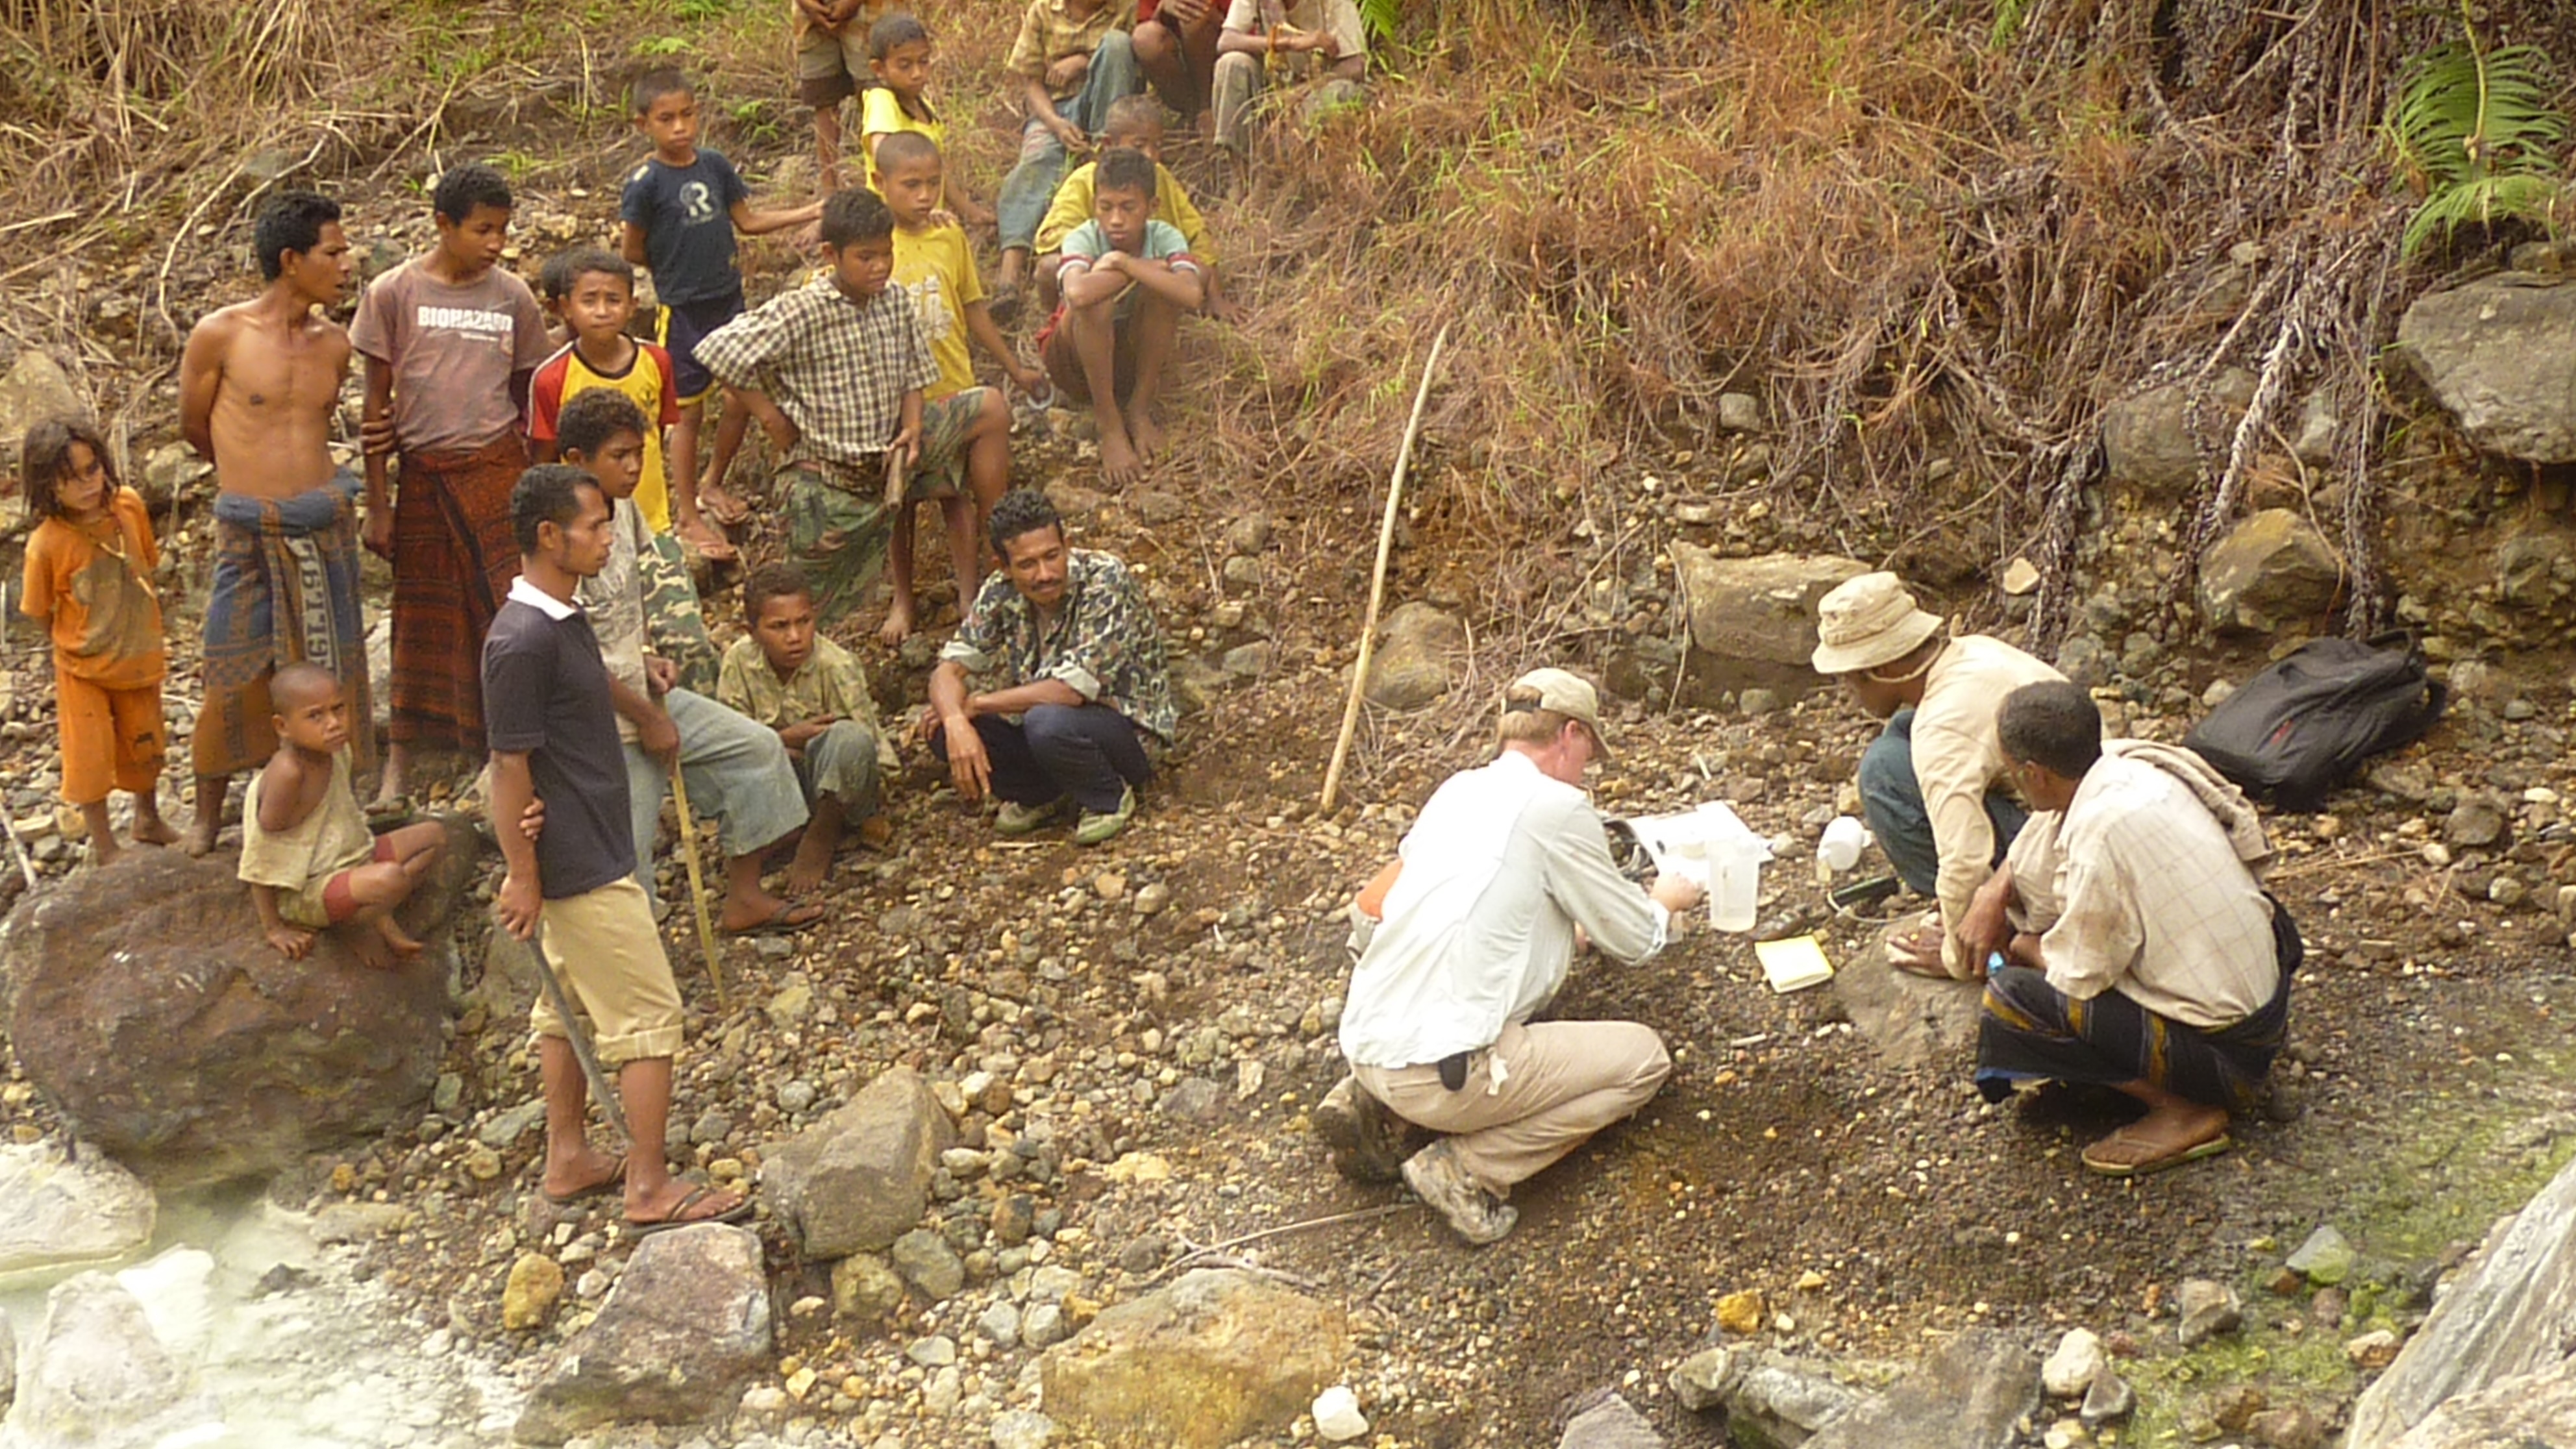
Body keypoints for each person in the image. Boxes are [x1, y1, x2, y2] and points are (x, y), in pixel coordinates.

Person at [1324, 669, 1703, 1245]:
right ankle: (1469, 1170)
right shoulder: (1556, 807)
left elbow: (1459, 906)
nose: (1585, 772)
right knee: (1643, 1061)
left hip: (1367, 1042)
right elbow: (1638, 942)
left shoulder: (1459, 790)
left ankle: (1383, 1109)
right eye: (1588, 754)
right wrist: (1663, 902)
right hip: (1445, 1071)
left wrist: (1566, 935)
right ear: (1570, 734)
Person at [485, 464, 750, 1231]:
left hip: (581, 841)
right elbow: (508, 763)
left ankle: (568, 1157)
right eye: (596, 527)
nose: (608, 539)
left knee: (562, 1005)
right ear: (549, 536)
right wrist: (522, 874)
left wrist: (643, 706)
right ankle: (648, 1185)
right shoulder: (521, 640)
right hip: (578, 859)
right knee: (647, 1014)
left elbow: (586, 689)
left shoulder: (560, 617)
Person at [1965, 681, 2299, 1178]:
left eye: (2015, 773)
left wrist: (2018, 946)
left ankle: (2185, 1108)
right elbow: (2037, 847)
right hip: (2265, 1005)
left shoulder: (2100, 834)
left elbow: (2080, 976)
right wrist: (1993, 893)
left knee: (2012, 998)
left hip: (2229, 1057)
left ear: (2034, 774)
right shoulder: (2133, 766)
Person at [554, 390, 821, 935]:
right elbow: (572, 657)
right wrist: (650, 719)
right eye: (619, 456)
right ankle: (626, 971)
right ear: (576, 462)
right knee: (626, 855)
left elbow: (622, 612)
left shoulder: (624, 512)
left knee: (757, 749)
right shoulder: (561, 536)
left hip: (642, 692)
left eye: (639, 454)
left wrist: (647, 659)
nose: (634, 468)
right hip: (596, 719)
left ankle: (744, 896)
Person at [178, 189, 375, 856]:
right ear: (291, 260)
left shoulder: (335, 344)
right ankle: (208, 813)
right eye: (333, 251)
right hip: (249, 531)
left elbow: (316, 425)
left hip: (322, 529)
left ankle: (326, 804)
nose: (346, 264)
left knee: (328, 672)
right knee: (232, 666)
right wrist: (255, 489)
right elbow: (194, 427)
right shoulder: (223, 334)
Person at [351, 162, 554, 810]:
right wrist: (377, 505)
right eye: (482, 230)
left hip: (496, 467)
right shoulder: (393, 293)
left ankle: (515, 752)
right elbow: (375, 410)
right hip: (423, 474)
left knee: (507, 611)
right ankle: (400, 768)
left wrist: (534, 482)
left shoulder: (512, 297)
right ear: (443, 224)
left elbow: (527, 396)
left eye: (503, 230)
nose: (496, 243)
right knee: (420, 619)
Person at [693, 186, 938, 627]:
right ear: (832, 254)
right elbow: (717, 349)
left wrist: (915, 427)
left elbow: (914, 375)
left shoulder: (895, 300)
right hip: (827, 467)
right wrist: (768, 415)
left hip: (891, 452)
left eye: (887, 254)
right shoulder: (804, 309)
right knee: (809, 604)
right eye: (866, 257)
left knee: (989, 411)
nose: (880, 267)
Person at [1809, 571, 2061, 980]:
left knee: (1884, 772)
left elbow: (1964, 857)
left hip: (2064, 854)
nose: (1846, 690)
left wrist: (1957, 956)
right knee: (1898, 734)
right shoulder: (1974, 651)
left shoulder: (1943, 728)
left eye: (1849, 676)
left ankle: (2000, 934)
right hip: (2067, 815)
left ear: (1884, 667)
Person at [620, 69, 824, 562]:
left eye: (687, 115)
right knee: (688, 414)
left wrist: (809, 212)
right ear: (643, 124)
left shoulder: (713, 165)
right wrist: (674, 271)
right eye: (666, 120)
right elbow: (632, 248)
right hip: (683, 310)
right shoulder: (646, 184)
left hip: (728, 302)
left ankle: (714, 483)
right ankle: (687, 513)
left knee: (739, 397)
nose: (679, 128)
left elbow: (748, 221)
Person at [923, 489, 1172, 847]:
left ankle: (1107, 796)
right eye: (1027, 564)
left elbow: (1069, 690)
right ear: (1003, 568)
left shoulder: (1104, 579)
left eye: (1052, 556)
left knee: (1046, 720)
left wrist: (978, 703)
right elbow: (948, 669)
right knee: (940, 728)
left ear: (1066, 545)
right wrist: (955, 720)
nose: (1045, 574)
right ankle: (1044, 796)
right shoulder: (999, 591)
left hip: (1124, 732)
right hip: (1049, 732)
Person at [879, 131, 1048, 644]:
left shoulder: (948, 237)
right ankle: (903, 598)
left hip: (952, 386)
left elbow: (972, 306)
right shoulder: (872, 244)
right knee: (899, 504)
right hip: (893, 403)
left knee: (956, 496)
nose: (924, 196)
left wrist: (1012, 367)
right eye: (911, 185)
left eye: (933, 184)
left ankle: (970, 595)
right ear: (880, 184)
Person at [18, 419, 177, 866]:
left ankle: (147, 818)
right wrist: (74, 646)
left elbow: (146, 559)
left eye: (92, 470)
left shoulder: (129, 508)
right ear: (47, 486)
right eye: (70, 479)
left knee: (147, 744)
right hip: (82, 666)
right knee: (88, 757)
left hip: (138, 652)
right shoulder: (47, 545)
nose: (87, 485)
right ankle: (105, 845)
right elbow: (39, 611)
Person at [238, 663, 447, 968]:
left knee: (434, 837)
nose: (334, 723)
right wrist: (275, 928)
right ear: (283, 727)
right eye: (315, 716)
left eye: (338, 709)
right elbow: (261, 853)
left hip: (351, 856)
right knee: (391, 879)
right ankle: (355, 925)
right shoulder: (289, 774)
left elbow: (340, 814)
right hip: (310, 886)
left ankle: (375, 913)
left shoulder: (335, 751)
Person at [717, 564, 897, 893]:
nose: (795, 637)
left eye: (804, 622)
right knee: (736, 758)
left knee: (847, 738)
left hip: (840, 792)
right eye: (779, 627)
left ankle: (822, 834)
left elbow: (868, 750)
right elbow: (729, 745)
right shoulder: (739, 663)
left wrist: (814, 747)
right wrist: (782, 740)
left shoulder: (836, 665)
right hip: (779, 782)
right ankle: (788, 830)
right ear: (752, 631)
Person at [1039, 147, 1204, 487]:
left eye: (1129, 208)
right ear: (1094, 206)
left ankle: (1139, 408)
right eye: (1106, 207)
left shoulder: (1163, 236)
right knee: (1096, 303)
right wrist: (1142, 270)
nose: (1116, 220)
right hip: (1073, 361)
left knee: (1165, 296)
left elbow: (1191, 294)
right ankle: (1109, 423)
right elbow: (1078, 293)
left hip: (1126, 360)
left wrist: (1125, 263)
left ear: (1151, 208)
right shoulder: (1084, 236)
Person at [991, 0, 1142, 321]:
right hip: (1054, 111)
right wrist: (1057, 125)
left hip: (1108, 110)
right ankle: (1010, 274)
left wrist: (1082, 62)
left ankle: (1107, 151)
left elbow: (1133, 61)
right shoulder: (1044, 10)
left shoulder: (1124, 8)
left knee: (1116, 44)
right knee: (1035, 163)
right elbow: (1030, 82)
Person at [1032, 94, 1239, 322]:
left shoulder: (1161, 178)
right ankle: (1060, 326)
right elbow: (1052, 236)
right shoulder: (1084, 180)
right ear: (1110, 144)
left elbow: (1198, 236)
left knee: (1196, 272)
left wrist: (1215, 295)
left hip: (1148, 274)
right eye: (1139, 146)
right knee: (1049, 267)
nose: (1151, 155)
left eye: (1157, 146)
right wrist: (1103, 258)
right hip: (1094, 275)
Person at [856, 14, 993, 227]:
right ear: (879, 69)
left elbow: (938, 171)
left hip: (924, 217)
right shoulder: (882, 101)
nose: (917, 73)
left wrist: (970, 211)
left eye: (924, 62)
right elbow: (883, 154)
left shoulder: (924, 106)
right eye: (905, 66)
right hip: (892, 223)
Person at [1211, 0, 1366, 160]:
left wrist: (1301, 91)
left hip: (1316, 89)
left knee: (1341, 91)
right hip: (1271, 86)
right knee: (1232, 63)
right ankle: (1240, 171)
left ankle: (1297, 164)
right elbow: (1226, 41)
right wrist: (1289, 43)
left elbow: (1356, 65)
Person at [793, 0, 898, 193]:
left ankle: (887, 188)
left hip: (871, 12)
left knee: (877, 99)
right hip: (810, 18)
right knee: (823, 100)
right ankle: (830, 193)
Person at [1132, 0, 1224, 124]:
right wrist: (1163, 8)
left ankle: (1207, 108)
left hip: (1220, 51)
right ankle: (1192, 113)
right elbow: (1147, 20)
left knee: (1193, 16)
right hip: (1178, 62)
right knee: (1145, 39)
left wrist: (1212, 17)